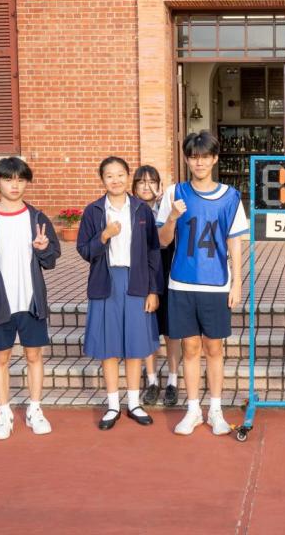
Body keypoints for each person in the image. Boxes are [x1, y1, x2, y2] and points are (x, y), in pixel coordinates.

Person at [157, 131, 249, 436]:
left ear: (214, 159)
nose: (199, 162)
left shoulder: (231, 196)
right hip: (182, 282)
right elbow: (162, 240)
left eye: (205, 157)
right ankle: (193, 409)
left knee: (214, 348)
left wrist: (237, 283)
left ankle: (216, 410)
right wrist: (172, 217)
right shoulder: (174, 193)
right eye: (194, 157)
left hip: (216, 283)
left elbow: (235, 241)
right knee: (190, 347)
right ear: (186, 159)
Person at [0, 157, 60, 440]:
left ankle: (35, 409)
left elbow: (51, 259)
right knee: (1, 358)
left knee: (34, 356)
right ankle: (4, 413)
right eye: (8, 179)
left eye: (20, 179)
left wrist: (43, 248)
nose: (15, 185)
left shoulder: (37, 218)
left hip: (31, 302)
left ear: (27, 182)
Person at [77, 156, 162, 430]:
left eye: (120, 174)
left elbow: (153, 252)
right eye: (109, 175)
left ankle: (134, 403)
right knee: (109, 348)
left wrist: (153, 290)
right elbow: (84, 250)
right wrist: (103, 236)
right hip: (106, 282)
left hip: (136, 281)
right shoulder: (93, 211)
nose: (115, 180)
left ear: (128, 177)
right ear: (102, 179)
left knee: (135, 347)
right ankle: (113, 405)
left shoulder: (141, 210)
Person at [132, 165, 180, 407]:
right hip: (143, 276)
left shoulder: (169, 208)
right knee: (148, 329)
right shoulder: (130, 210)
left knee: (171, 330)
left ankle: (173, 380)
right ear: (134, 187)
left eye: (152, 182)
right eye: (141, 182)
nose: (147, 186)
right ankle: (152, 380)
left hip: (169, 273)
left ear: (160, 186)